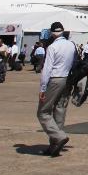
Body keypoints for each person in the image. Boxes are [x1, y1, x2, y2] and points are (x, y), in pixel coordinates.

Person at [37, 22, 76, 157]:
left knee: (43, 112)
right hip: (67, 79)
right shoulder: (71, 45)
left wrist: (42, 88)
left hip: (55, 79)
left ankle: (59, 137)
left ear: (52, 33)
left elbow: (47, 69)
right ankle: (54, 145)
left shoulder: (53, 47)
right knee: (60, 110)